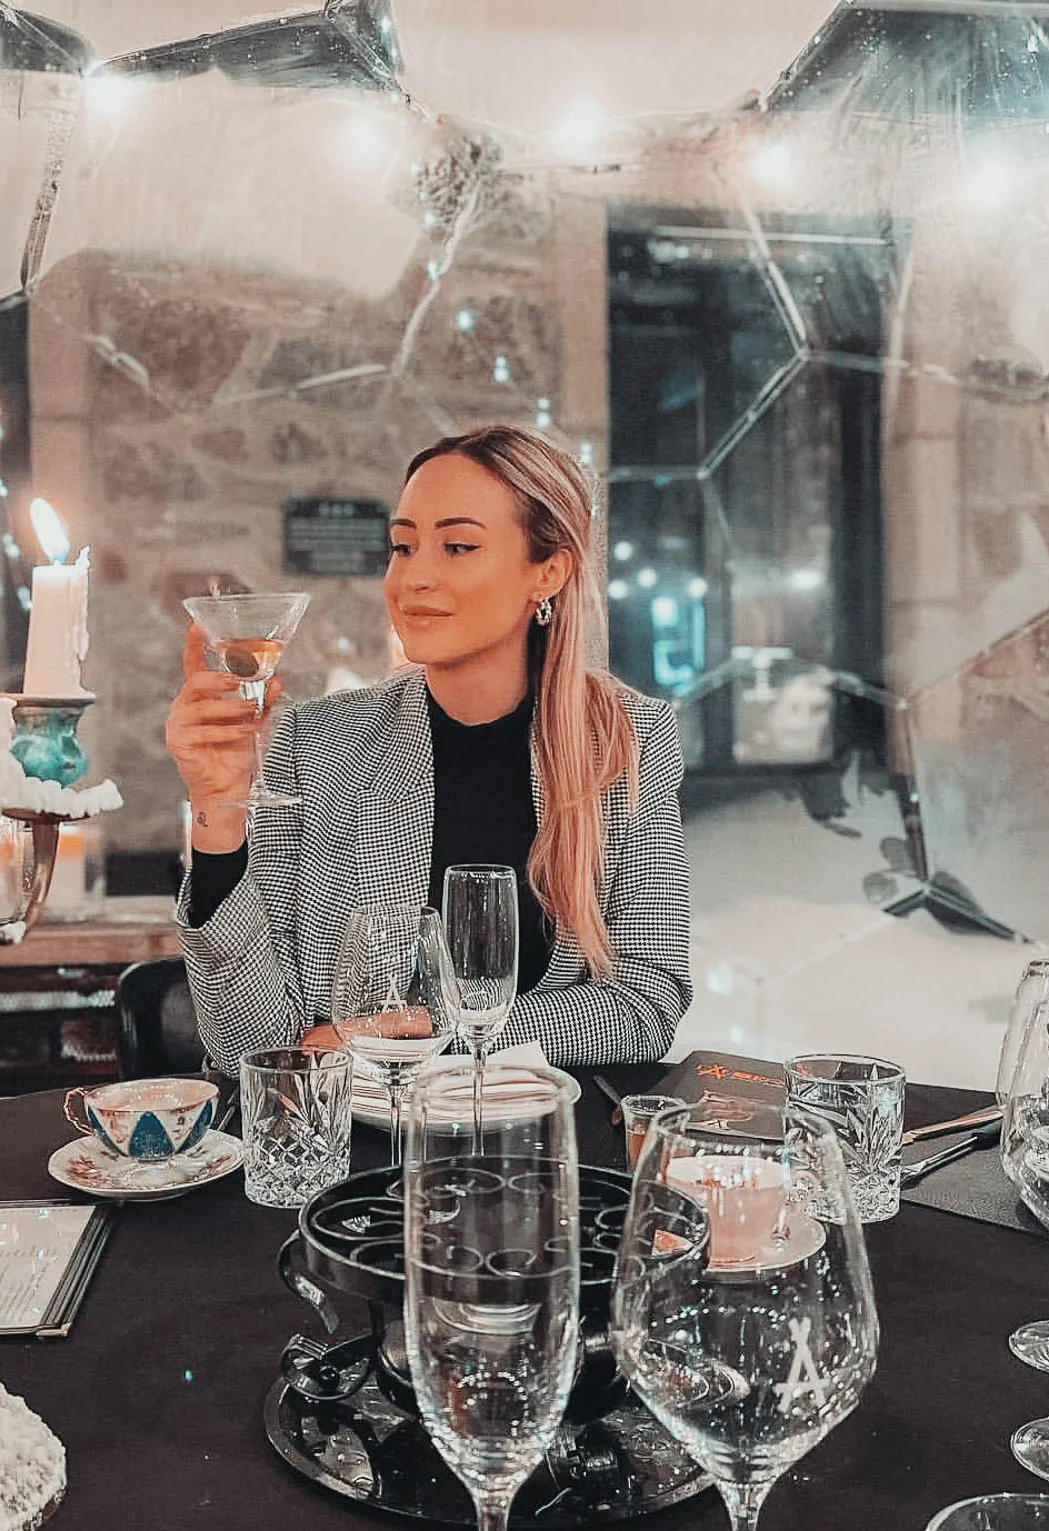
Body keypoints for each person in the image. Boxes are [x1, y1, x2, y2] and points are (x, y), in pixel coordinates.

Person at [164, 423, 692, 1071]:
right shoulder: (316, 742)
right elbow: (254, 1049)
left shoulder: (624, 738)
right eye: (403, 546)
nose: (412, 577)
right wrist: (217, 813)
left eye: (458, 546)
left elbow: (647, 1003)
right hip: (362, 1157)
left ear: (548, 572)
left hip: (541, 1147)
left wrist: (424, 1028)